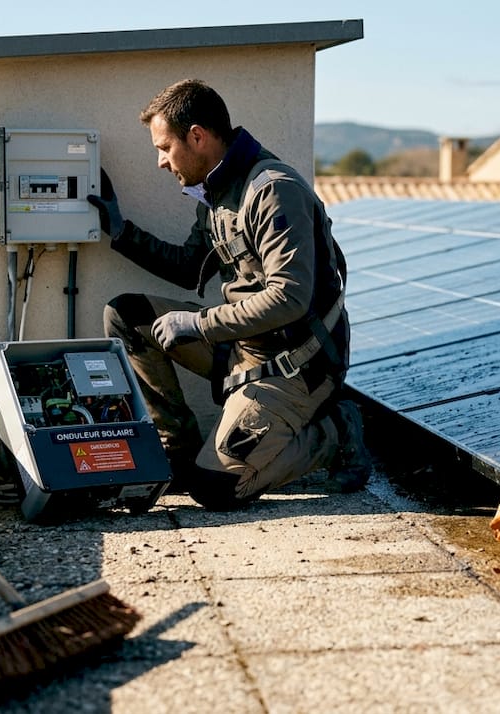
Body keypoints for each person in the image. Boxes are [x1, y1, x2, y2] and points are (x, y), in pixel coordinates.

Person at [87, 78, 369, 511]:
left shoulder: (274, 190)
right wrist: (120, 230)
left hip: (297, 365)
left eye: (165, 148)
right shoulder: (217, 192)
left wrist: (198, 324)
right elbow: (187, 267)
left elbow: (290, 296)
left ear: (197, 137)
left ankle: (335, 433)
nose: (161, 162)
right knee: (126, 315)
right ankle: (176, 452)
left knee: (215, 489)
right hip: (242, 345)